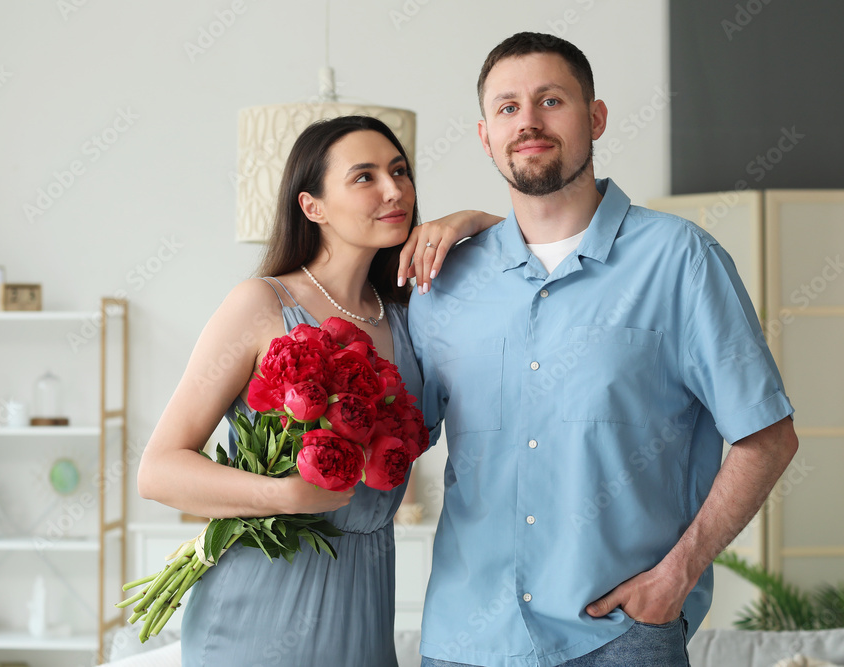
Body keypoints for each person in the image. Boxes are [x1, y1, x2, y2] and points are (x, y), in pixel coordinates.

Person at [408, 32, 799, 667]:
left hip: (619, 638)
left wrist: (676, 577)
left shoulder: (680, 261)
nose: (528, 122)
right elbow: (395, 441)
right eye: (507, 108)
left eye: (550, 100)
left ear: (595, 118)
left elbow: (769, 437)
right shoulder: (443, 282)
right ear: (485, 136)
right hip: (466, 643)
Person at [137, 115, 499, 666]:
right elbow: (158, 470)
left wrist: (473, 221)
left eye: (399, 171)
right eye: (365, 176)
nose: (394, 189)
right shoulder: (260, 305)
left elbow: (535, 270)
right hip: (259, 607)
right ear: (313, 207)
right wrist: (286, 496)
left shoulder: (411, 315)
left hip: (366, 596)